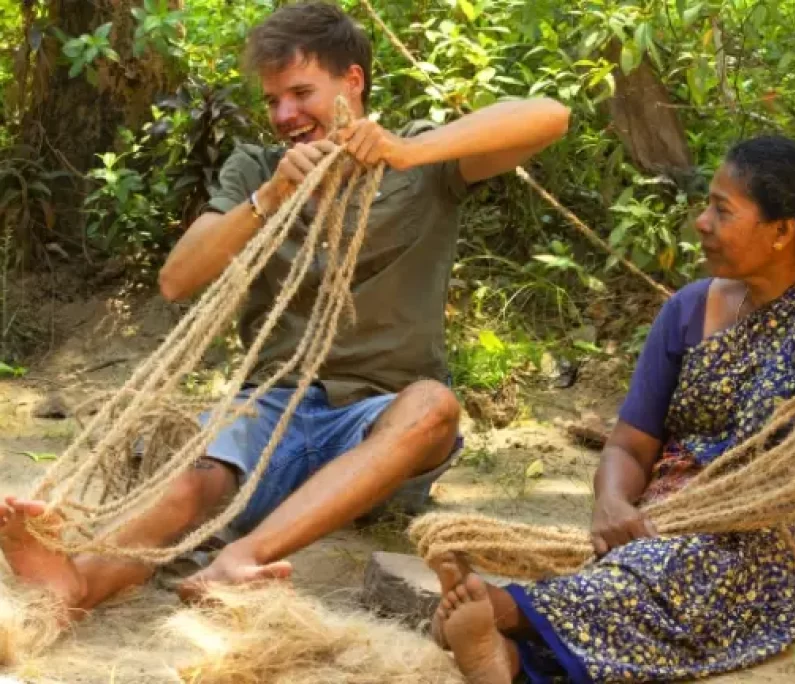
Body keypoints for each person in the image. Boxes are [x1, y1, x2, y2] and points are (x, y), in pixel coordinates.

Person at [0, 1, 569, 622]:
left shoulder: (427, 169)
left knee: (433, 407)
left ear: (352, 83)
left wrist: (408, 151)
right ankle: (76, 587)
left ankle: (243, 556)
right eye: (273, 100)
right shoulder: (256, 169)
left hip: (378, 423)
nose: (286, 116)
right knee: (197, 474)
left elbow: (549, 116)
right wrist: (269, 196)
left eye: (301, 92)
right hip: (272, 410)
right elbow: (177, 280)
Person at [428, 135, 795, 684]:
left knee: (682, 570)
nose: (701, 222)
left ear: (782, 232)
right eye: (707, 205)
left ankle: (510, 621)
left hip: (787, 532)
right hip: (672, 515)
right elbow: (631, 444)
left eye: (722, 211)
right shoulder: (687, 310)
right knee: (651, 558)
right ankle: (509, 647)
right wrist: (611, 501)